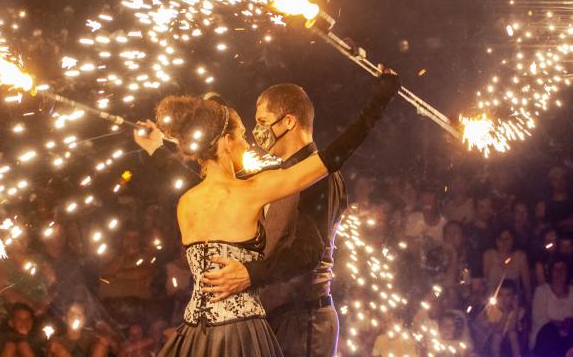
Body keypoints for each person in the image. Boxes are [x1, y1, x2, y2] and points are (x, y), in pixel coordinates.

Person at [134, 71, 399, 356]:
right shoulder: (256, 186)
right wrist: (377, 104)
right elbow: (335, 155)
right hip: (254, 325)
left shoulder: (191, 200)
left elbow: (307, 252)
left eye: (260, 123)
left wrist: (157, 150)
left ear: (288, 121)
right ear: (225, 142)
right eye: (245, 134)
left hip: (296, 319)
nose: (251, 141)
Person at [531, 255, 573, 356]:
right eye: (556, 269)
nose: (559, 272)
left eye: (562, 269)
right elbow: (539, 319)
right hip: (547, 338)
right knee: (549, 330)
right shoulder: (541, 291)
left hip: (570, 335)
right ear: (550, 272)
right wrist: (559, 325)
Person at [473, 279, 526, 357]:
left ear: (514, 297)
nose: (503, 299)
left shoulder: (519, 310)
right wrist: (505, 313)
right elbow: (497, 329)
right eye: (500, 295)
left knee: (512, 333)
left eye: (507, 295)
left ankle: (517, 354)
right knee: (497, 336)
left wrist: (515, 310)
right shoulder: (493, 310)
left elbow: (513, 327)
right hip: (496, 336)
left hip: (511, 337)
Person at [483, 228, 532, 302]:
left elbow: (527, 285)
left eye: (507, 239)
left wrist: (528, 302)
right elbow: (484, 281)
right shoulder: (489, 255)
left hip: (513, 303)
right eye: (500, 239)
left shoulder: (520, 256)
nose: (503, 243)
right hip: (493, 302)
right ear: (496, 241)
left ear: (512, 240)